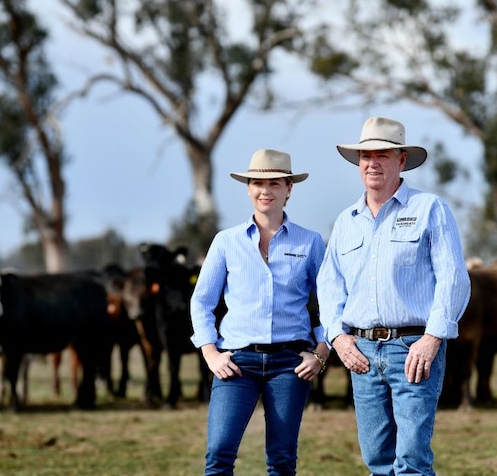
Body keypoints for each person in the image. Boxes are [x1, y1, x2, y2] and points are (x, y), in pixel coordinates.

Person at [317, 116, 471, 476]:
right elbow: (329, 286)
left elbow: (453, 278)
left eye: (382, 155)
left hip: (413, 348)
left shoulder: (430, 209)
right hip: (362, 353)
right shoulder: (346, 221)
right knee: (377, 460)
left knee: (412, 462)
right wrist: (339, 339)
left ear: (401, 160)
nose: (373, 163)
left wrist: (432, 338)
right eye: (366, 156)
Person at [190, 148, 329, 476]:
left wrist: (320, 354)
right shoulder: (226, 242)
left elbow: (331, 305)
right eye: (257, 183)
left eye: (274, 183)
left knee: (282, 460)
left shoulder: (310, 243)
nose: (265, 190)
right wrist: (210, 353)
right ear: (248, 188)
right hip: (236, 363)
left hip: (290, 365)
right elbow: (201, 302)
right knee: (219, 453)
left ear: (289, 189)